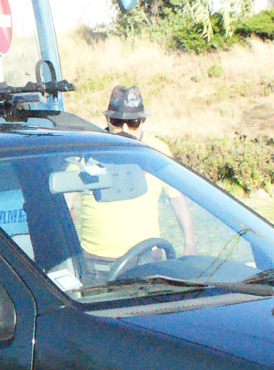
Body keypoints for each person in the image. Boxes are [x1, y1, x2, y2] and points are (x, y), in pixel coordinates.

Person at [71, 85, 197, 280]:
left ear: (143, 121)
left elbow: (176, 200)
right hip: (96, 266)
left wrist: (190, 244)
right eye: (117, 121)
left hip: (148, 261)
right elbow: (64, 202)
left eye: (133, 123)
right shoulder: (84, 152)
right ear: (107, 119)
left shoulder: (157, 151)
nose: (124, 129)